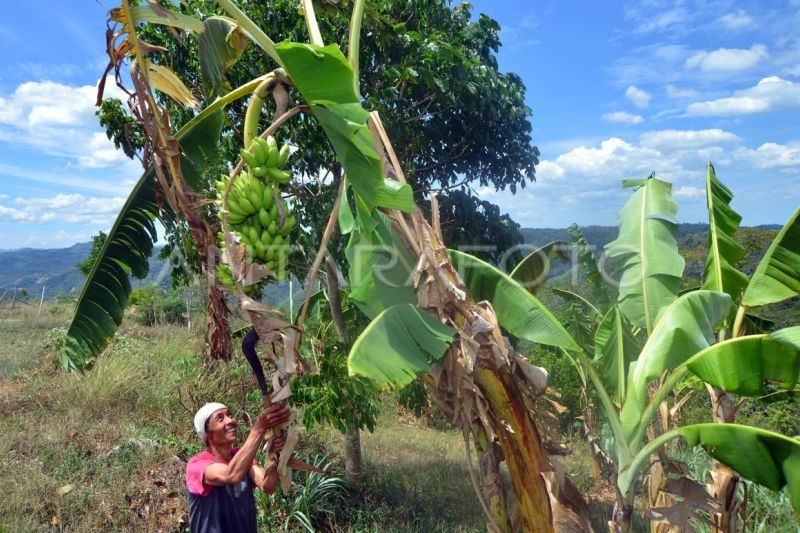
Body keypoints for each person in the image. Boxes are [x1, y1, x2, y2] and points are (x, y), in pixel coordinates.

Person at [185, 402, 292, 533]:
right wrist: (259, 428)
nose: (230, 420)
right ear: (208, 434)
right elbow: (231, 475)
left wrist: (273, 457)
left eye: (230, 415)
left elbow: (267, 485)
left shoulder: (241, 458)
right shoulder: (197, 465)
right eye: (220, 418)